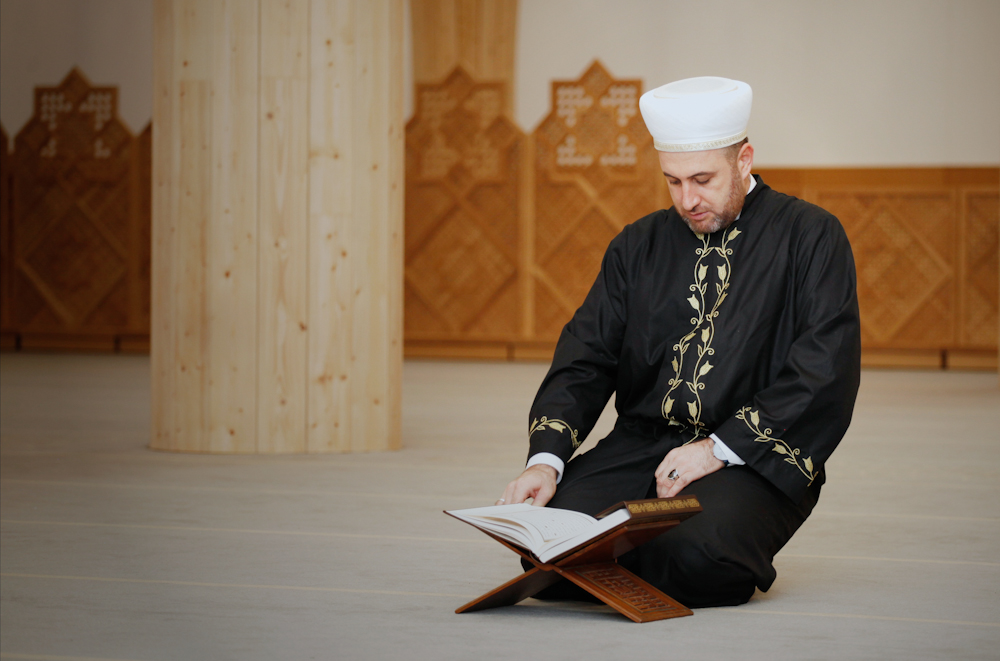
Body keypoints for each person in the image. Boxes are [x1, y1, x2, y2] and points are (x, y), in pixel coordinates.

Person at [497, 76, 861, 608]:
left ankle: (635, 547)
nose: (688, 200)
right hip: (641, 443)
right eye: (672, 182)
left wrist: (716, 448)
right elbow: (586, 355)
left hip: (752, 453)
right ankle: (620, 544)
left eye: (703, 179)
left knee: (697, 557)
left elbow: (824, 368)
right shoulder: (636, 245)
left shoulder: (809, 235)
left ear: (744, 160)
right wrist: (545, 460)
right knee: (545, 545)